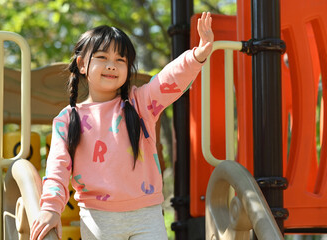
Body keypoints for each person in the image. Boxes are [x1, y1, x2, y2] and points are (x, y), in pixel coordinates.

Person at [30, 11, 214, 240]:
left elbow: (167, 80)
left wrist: (196, 56)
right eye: (102, 57)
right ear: (82, 64)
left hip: (146, 215)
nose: (112, 66)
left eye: (120, 60)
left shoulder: (140, 104)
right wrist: (50, 208)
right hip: (98, 218)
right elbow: (57, 168)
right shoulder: (68, 119)